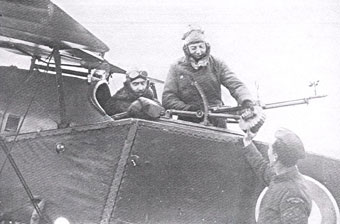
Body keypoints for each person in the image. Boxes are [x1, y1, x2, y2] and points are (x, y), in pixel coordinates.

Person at [162, 25, 254, 128]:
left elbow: (236, 85)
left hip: (216, 119)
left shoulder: (217, 64)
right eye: (193, 48)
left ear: (207, 46)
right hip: (187, 121)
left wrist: (246, 100)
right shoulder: (176, 67)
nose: (198, 51)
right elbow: (168, 98)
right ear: (186, 49)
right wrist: (189, 109)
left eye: (201, 46)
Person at [240, 122, 312, 223]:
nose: (268, 151)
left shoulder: (294, 194)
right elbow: (262, 168)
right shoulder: (282, 176)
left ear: (275, 156)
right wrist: (247, 142)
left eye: (270, 148)